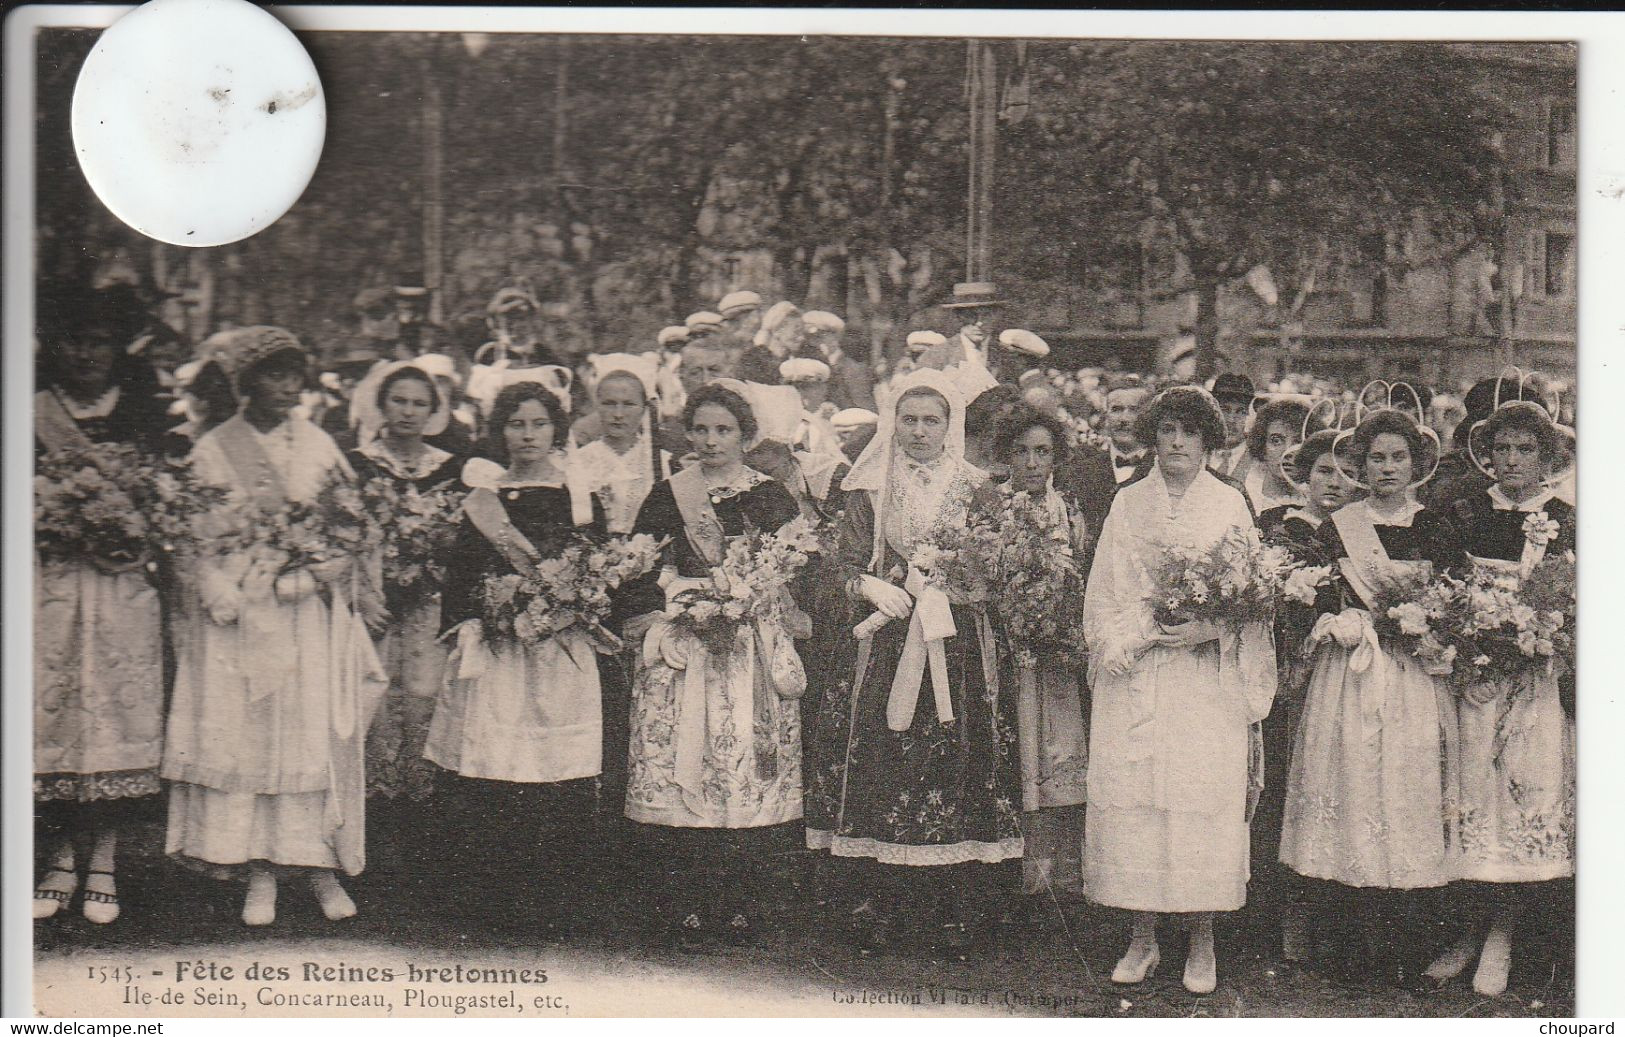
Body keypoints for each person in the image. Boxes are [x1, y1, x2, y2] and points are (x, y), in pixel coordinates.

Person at [163, 327, 388, 926]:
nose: (289, 387)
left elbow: (353, 527)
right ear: (246, 383)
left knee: (309, 738)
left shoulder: (320, 446)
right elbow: (191, 538)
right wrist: (223, 592)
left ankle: (317, 867)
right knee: (255, 739)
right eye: (275, 374)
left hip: (307, 613)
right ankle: (258, 873)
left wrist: (325, 570)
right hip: (242, 617)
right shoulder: (215, 449)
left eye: (295, 374)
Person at [805, 369, 1022, 953]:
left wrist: (960, 585)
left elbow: (1000, 568)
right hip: (887, 643)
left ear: (950, 427)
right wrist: (866, 586)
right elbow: (829, 564)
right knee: (886, 759)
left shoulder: (977, 490)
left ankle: (956, 906)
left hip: (955, 645)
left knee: (955, 760)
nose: (920, 431)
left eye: (932, 420)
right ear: (892, 424)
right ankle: (881, 902)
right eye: (909, 419)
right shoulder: (868, 489)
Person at [1082, 385, 1276, 995]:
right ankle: (1142, 938)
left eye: (1189, 432)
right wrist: (1131, 636)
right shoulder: (1127, 503)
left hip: (1203, 677)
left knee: (1197, 800)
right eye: (1165, 430)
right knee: (1138, 799)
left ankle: (1201, 940)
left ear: (1207, 441)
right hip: (1139, 673)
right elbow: (1105, 590)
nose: (1175, 442)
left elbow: (1252, 597)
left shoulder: (1229, 503)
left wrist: (1208, 625)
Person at [1278, 404, 1464, 986]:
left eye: (1398, 458)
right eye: (1376, 458)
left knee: (1406, 790)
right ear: (1360, 464)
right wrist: (1336, 620)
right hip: (1352, 677)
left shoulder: (1437, 525)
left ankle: (1407, 935)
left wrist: (1427, 625)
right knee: (1352, 785)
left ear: (1417, 464)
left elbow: (1455, 603)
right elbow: (1316, 601)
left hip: (1411, 680)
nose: (1387, 467)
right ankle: (1344, 935)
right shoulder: (1341, 525)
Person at [619, 383, 805, 947]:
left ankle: (746, 903)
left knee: (743, 769)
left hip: (747, 649)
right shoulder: (665, 494)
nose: (710, 441)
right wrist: (667, 610)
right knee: (683, 766)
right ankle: (683, 904)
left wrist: (746, 599)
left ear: (745, 436)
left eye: (723, 430)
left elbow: (795, 573)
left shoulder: (771, 497)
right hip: (682, 647)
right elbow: (637, 571)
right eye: (700, 429)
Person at [426, 377, 608, 930]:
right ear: (499, 431)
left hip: (560, 649)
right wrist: (483, 616)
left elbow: (596, 567)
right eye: (515, 424)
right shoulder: (484, 500)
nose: (527, 435)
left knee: (554, 768)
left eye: (538, 424)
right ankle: (488, 899)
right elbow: (461, 578)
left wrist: (571, 604)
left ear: (555, 429)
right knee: (493, 763)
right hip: (499, 650)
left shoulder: (580, 495)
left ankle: (553, 901)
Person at [1425, 401, 1575, 996]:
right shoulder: (1464, 511)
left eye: (1526, 450)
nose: (1512, 461)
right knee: (1471, 798)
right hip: (1475, 677)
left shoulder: (1564, 517)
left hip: (1533, 677)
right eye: (1503, 449)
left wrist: (1543, 634)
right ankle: (1469, 926)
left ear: (1546, 457)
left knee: (1519, 796)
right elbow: (1446, 588)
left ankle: (1503, 934)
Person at [31, 304, 171, 924]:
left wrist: (130, 526)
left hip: (122, 590)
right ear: (51, 345)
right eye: (72, 341)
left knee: (118, 713)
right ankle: (60, 855)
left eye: (97, 341)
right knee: (55, 710)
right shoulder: (31, 409)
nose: (85, 354)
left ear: (118, 350)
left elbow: (170, 500)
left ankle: (106, 859)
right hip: (52, 581)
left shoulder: (143, 412)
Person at [1253, 428, 1357, 962]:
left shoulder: (1359, 531)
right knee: (1273, 782)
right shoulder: (1276, 525)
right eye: (1323, 471)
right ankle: (1271, 909)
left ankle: (1319, 910)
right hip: (1278, 666)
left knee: (1323, 783)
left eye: (1344, 471)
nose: (1334, 482)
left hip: (1336, 669)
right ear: (1304, 475)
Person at [344, 362, 463, 830]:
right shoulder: (358, 464)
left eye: (419, 403)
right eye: (399, 401)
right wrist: (361, 596)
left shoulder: (449, 467)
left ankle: (419, 813)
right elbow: (342, 538)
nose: (408, 412)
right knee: (371, 698)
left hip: (427, 603)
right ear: (381, 404)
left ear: (433, 410)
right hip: (371, 601)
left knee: (424, 696)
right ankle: (370, 814)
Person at [992, 406, 1092, 905]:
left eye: (1043, 452)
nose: (1032, 463)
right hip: (1006, 653)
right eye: (1022, 452)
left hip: (1057, 657)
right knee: (1018, 755)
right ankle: (1020, 877)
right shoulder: (992, 508)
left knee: (1062, 755)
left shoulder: (1070, 510)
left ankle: (1061, 877)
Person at [1239, 398, 1314, 515]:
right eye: (1276, 441)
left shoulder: (1314, 502)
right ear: (1262, 445)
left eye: (1297, 442)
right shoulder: (1243, 499)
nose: (1287, 451)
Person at [801, 310, 877, 412]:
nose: (813, 343)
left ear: (835, 337)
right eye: (809, 339)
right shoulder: (808, 367)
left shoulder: (852, 369)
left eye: (819, 337)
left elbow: (866, 411)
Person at [1208, 373, 1257, 479]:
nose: (1231, 420)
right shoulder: (1200, 454)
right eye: (1225, 410)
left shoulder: (1258, 461)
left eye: (1241, 412)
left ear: (1251, 416)